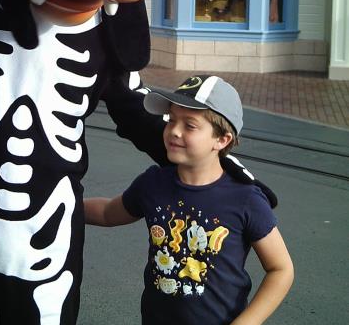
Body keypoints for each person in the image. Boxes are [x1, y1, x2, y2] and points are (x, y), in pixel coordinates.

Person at [84, 75, 294, 325]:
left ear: (222, 139)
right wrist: (63, 204)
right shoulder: (153, 183)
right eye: (171, 119)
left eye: (190, 125)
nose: (174, 131)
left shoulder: (246, 199)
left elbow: (281, 269)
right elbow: (108, 213)